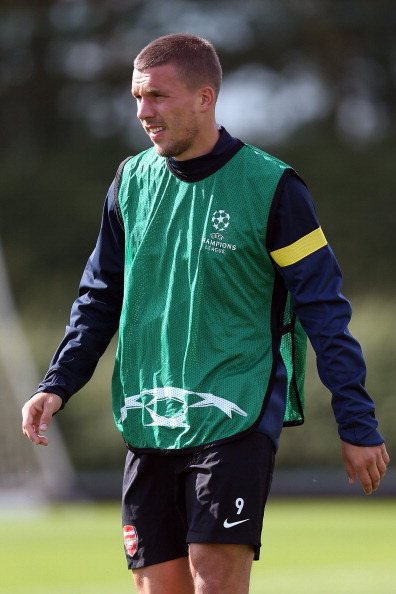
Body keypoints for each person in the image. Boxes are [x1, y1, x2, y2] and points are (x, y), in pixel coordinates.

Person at [22, 33, 389, 594]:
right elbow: (99, 296)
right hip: (150, 413)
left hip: (234, 412)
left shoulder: (273, 188)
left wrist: (356, 421)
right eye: (137, 98)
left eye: (159, 97)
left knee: (214, 582)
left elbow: (324, 309)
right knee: (158, 588)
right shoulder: (130, 182)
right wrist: (58, 383)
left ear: (204, 97)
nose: (144, 112)